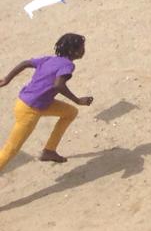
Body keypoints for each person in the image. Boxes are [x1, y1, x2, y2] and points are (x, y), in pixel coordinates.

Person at [0, 33, 92, 171]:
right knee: (11, 149)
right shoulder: (68, 65)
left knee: (70, 112)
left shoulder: (49, 59)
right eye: (81, 48)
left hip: (28, 102)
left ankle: (49, 150)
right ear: (73, 51)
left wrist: (7, 79)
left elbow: (25, 63)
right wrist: (78, 100)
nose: (83, 50)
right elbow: (58, 85)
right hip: (29, 110)